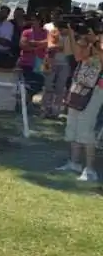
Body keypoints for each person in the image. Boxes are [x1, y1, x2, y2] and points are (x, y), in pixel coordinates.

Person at [56, 26, 102, 182]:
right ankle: (74, 162)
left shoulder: (99, 43)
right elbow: (77, 56)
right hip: (79, 87)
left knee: (86, 126)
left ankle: (90, 169)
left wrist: (96, 40)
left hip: (95, 90)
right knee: (73, 124)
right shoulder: (89, 43)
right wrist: (71, 33)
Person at [17, 12, 48, 104]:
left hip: (40, 64)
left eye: (34, 20)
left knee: (37, 84)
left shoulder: (46, 33)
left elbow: (48, 44)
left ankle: (27, 103)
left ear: (39, 21)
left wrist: (33, 44)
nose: (32, 21)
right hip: (26, 63)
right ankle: (25, 105)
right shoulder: (26, 32)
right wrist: (38, 46)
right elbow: (23, 45)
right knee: (26, 85)